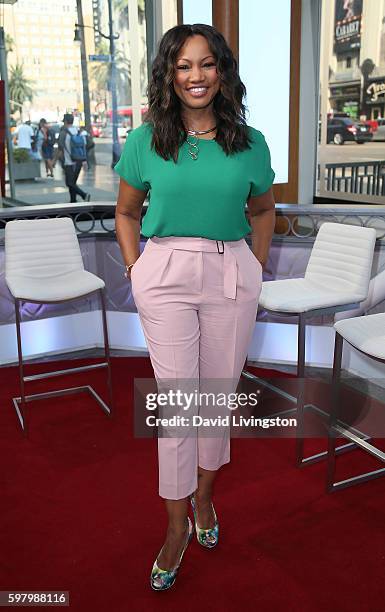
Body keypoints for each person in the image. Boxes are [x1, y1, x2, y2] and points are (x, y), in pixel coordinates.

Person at [114, 24, 276, 591]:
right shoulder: (146, 140)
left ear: (222, 72)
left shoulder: (250, 141)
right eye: (184, 66)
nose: (196, 76)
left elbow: (262, 210)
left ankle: (205, 498)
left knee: (217, 397)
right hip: (165, 272)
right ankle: (176, 525)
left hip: (232, 269)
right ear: (169, 75)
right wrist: (137, 269)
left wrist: (252, 266)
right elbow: (127, 212)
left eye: (207, 65)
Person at [57, 113, 90, 203]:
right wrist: (84, 160)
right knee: (73, 183)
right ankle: (73, 200)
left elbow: (60, 149)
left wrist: (54, 161)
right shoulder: (78, 131)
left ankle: (84, 195)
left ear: (66, 121)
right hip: (79, 160)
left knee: (69, 183)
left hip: (69, 162)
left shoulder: (64, 133)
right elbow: (85, 146)